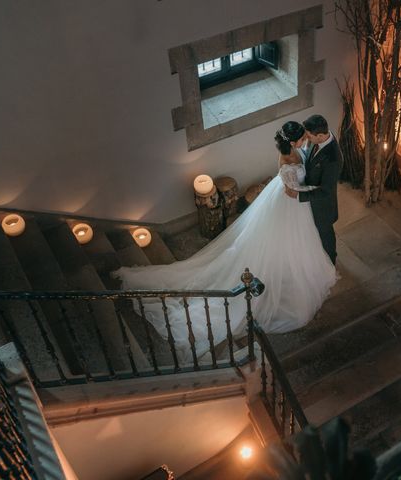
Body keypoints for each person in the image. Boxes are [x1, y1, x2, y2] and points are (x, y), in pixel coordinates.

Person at [112, 121, 337, 361]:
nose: (306, 141)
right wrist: (318, 188)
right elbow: (292, 192)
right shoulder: (286, 163)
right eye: (303, 138)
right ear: (292, 143)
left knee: (296, 244)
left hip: (292, 207)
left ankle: (288, 269)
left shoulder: (294, 151)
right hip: (289, 205)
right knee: (280, 243)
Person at [285, 114, 343, 265]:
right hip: (309, 195)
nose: (307, 139)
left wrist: (299, 196)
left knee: (326, 235)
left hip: (322, 206)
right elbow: (308, 158)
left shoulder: (333, 159)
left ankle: (331, 262)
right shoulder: (316, 140)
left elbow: (326, 191)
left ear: (321, 135)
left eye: (309, 136)